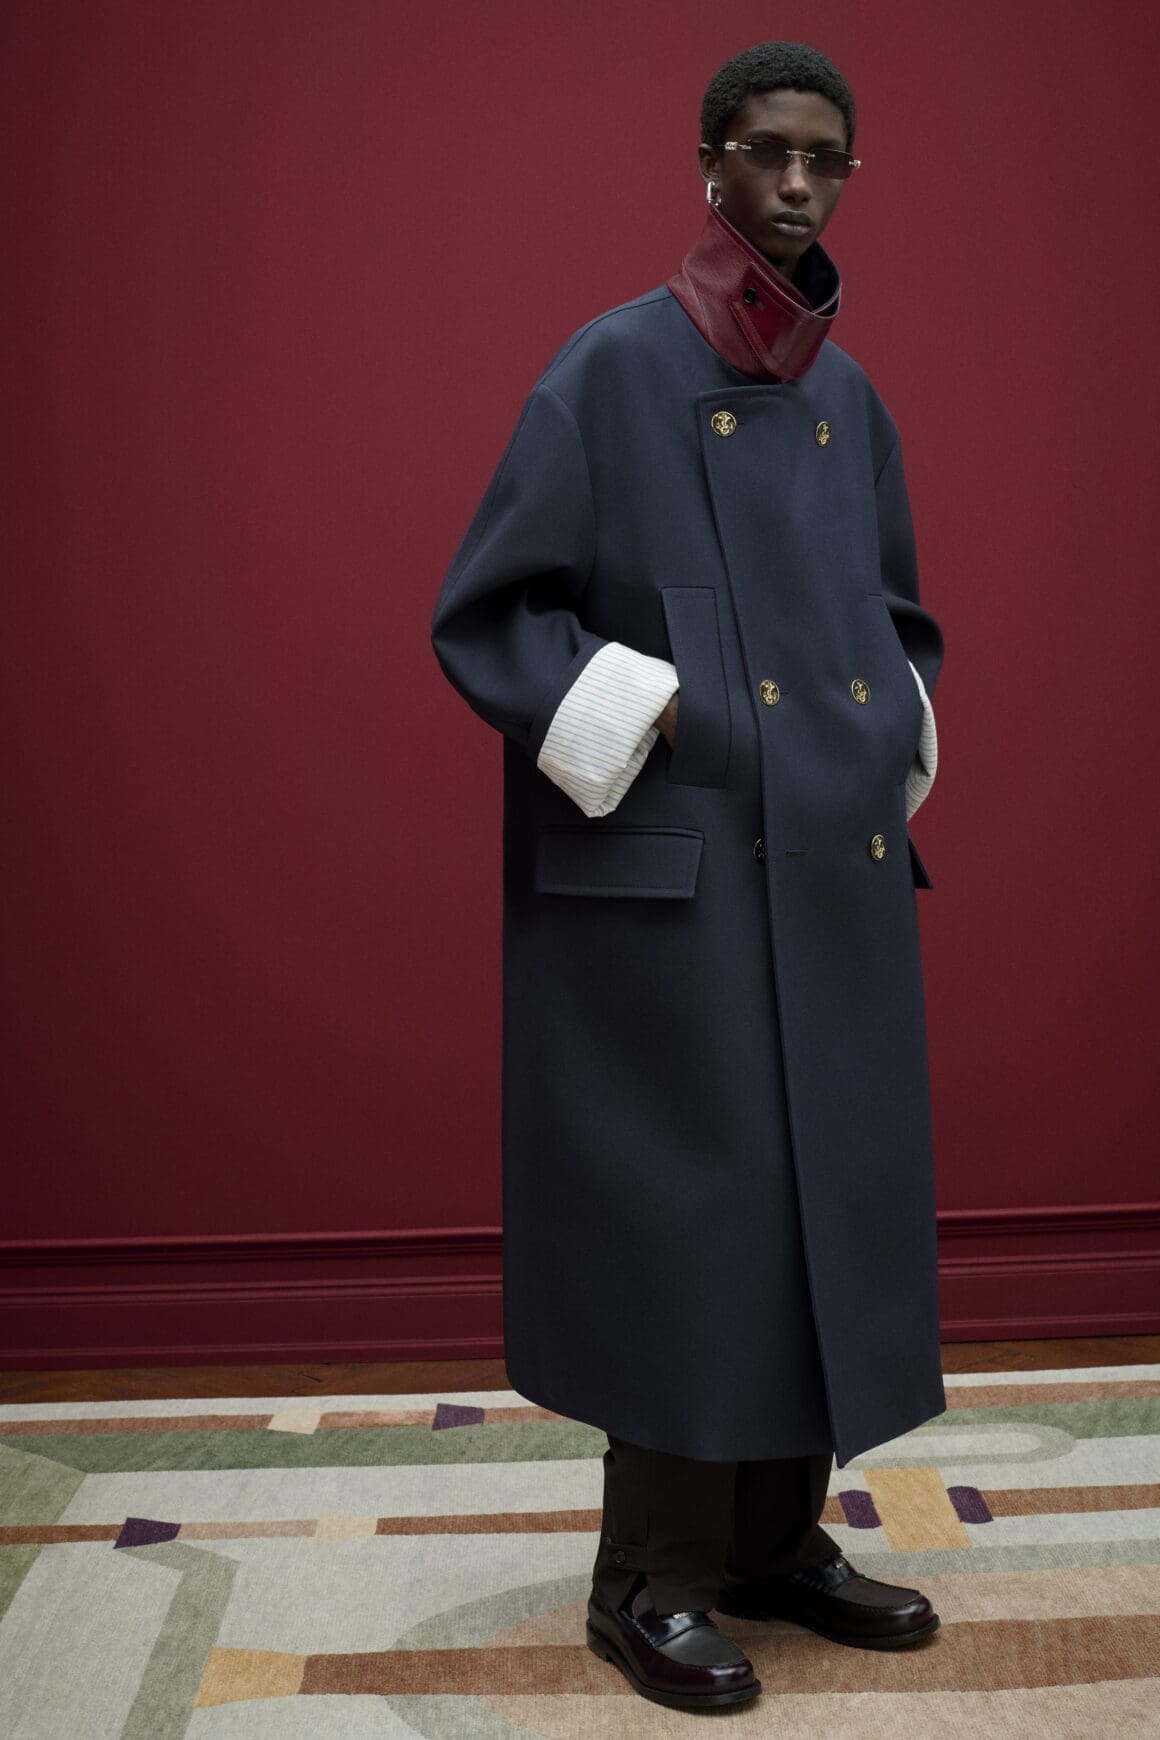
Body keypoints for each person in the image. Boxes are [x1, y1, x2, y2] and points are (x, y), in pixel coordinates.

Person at [430, 39, 946, 1711]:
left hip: (829, 869)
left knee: (814, 1207)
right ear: (712, 159)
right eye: (769, 150)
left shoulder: (851, 402)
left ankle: (775, 1546)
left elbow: (895, 617)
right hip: (679, 876)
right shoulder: (611, 370)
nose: (797, 183)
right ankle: (644, 1580)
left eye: (826, 158)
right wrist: (660, 709)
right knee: (692, 1221)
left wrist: (883, 725)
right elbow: (491, 613)